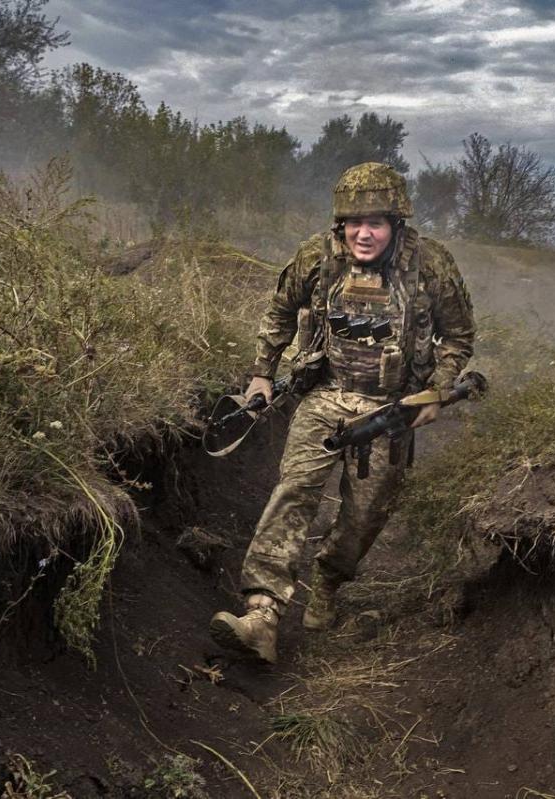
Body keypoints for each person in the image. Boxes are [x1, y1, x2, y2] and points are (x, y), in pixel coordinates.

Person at [209, 162, 476, 663]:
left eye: (376, 222)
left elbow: (459, 336)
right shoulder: (318, 256)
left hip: (391, 410)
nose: (364, 233)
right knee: (294, 492)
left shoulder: (431, 265)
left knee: (365, 515)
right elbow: (279, 311)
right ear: (340, 223)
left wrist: (438, 391)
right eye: (354, 222)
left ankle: (329, 582)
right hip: (326, 396)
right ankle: (262, 613)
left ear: (397, 223)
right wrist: (263, 372)